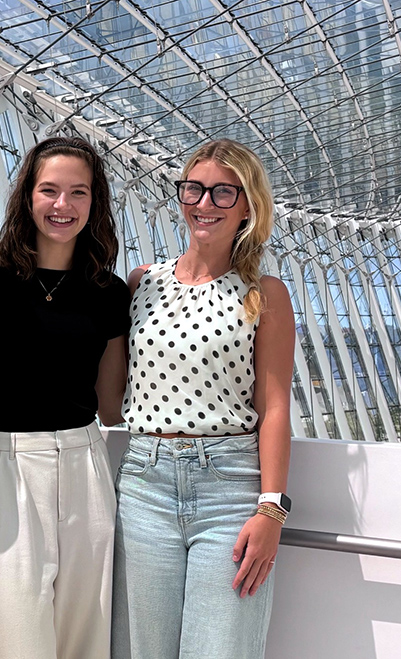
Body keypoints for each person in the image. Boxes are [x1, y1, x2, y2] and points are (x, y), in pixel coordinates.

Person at [111, 139, 296, 659]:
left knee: (220, 649)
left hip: (230, 493)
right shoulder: (141, 284)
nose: (204, 203)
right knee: (142, 650)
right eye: (194, 188)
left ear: (247, 205)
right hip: (144, 486)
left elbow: (275, 407)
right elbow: (112, 394)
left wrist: (271, 511)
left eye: (222, 192)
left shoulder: (264, 293)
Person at [0, 136, 129, 659]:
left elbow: (110, 404)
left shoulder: (110, 292)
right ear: (26, 197)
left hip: (85, 462)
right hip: (5, 463)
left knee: (85, 637)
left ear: (94, 203)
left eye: (79, 192)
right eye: (49, 190)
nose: (63, 205)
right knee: (11, 639)